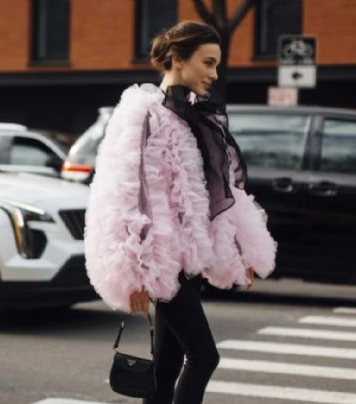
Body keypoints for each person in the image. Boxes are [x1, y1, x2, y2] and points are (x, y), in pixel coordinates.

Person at [84, 21, 277, 404]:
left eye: (217, 65)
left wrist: (242, 250)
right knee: (204, 356)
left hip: (186, 257)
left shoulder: (192, 117)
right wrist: (134, 268)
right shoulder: (144, 114)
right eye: (207, 63)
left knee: (167, 364)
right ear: (177, 59)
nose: (214, 74)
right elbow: (123, 194)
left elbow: (221, 192)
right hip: (160, 261)